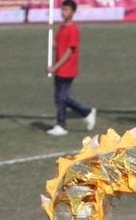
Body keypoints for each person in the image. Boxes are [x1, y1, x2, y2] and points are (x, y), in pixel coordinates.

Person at [46, 0, 96, 136]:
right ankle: (86, 112)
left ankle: (62, 124)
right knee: (59, 98)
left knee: (62, 97)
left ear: (73, 12)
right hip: (59, 68)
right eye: (62, 10)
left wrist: (54, 67)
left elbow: (69, 52)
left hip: (68, 68)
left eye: (66, 10)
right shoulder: (62, 28)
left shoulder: (73, 30)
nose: (63, 12)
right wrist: (50, 34)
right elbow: (56, 46)